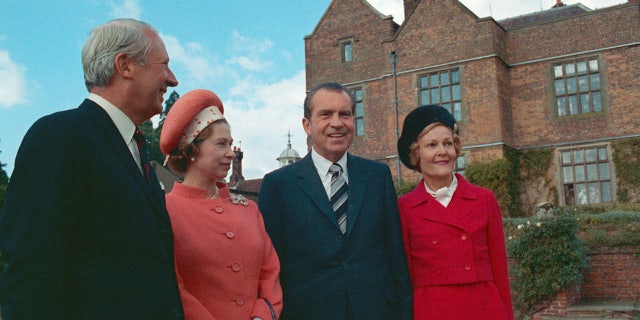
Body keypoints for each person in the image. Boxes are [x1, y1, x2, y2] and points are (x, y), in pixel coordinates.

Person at [0, 19, 184, 319]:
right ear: (125, 65)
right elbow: (31, 271)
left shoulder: (138, 152)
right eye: (163, 64)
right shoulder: (59, 135)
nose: (173, 79)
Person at [258, 82, 413, 320]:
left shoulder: (377, 176)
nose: (337, 123)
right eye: (325, 114)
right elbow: (269, 268)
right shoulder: (278, 185)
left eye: (345, 114)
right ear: (307, 125)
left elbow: (395, 256)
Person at [160, 89, 282, 320]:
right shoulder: (164, 211)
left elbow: (270, 273)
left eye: (231, 144)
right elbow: (172, 287)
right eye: (221, 144)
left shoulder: (249, 210)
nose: (231, 153)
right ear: (192, 149)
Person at [396, 105, 514, 320]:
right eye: (432, 145)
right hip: (431, 309)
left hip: (482, 306)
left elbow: (500, 270)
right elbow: (406, 278)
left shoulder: (484, 199)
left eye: (448, 143)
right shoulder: (404, 208)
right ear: (416, 153)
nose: (442, 151)